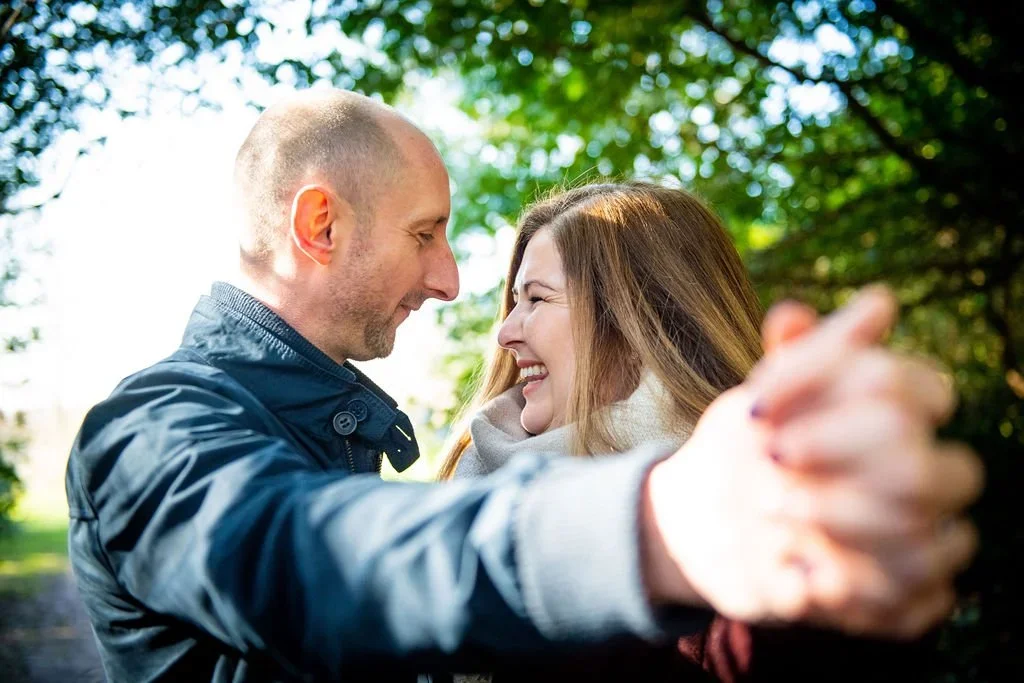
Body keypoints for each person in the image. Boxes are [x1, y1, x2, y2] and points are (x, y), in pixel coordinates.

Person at [65, 89, 983, 683]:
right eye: (425, 234)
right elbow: (311, 555)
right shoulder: (152, 426)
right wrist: (657, 527)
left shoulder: (330, 431)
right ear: (321, 226)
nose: (451, 283)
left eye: (531, 298)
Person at [441, 181, 969, 680]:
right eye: (514, 302)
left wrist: (833, 522)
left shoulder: (761, 505)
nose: (505, 332)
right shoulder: (469, 489)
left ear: (636, 321)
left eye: (536, 299)